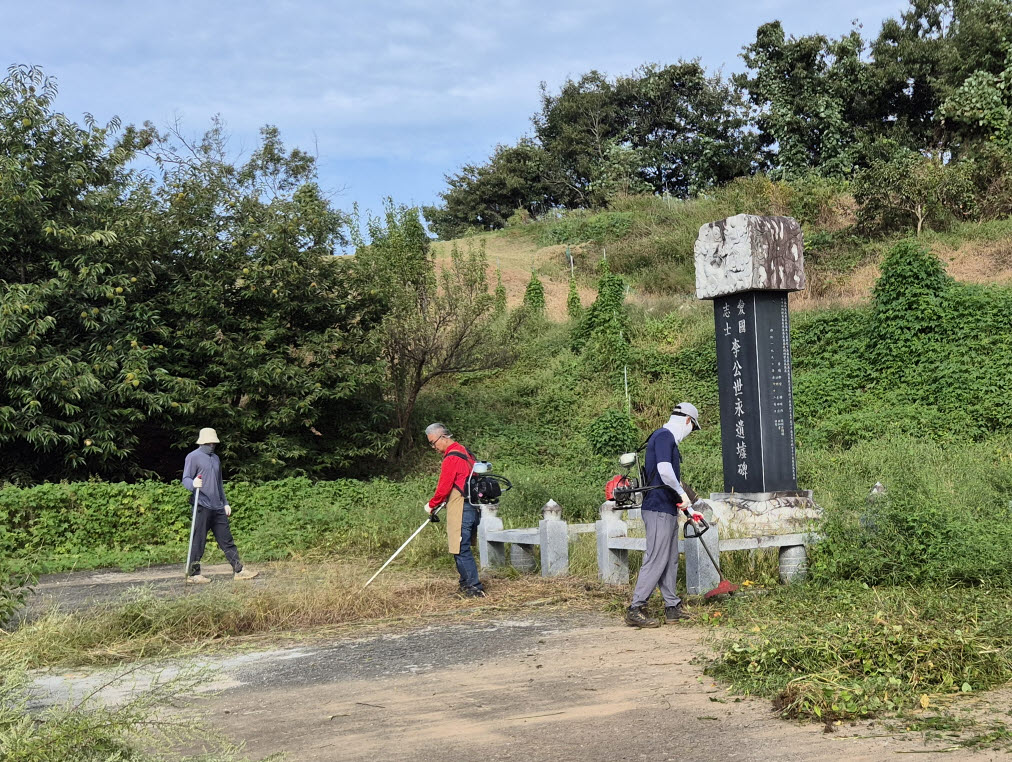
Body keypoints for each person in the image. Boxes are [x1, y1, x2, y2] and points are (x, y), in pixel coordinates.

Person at [625, 403, 703, 628]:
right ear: (688, 421)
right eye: (693, 428)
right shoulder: (664, 436)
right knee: (656, 558)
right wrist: (681, 494)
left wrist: (689, 510)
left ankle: (672, 607)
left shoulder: (666, 440)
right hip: (657, 508)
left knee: (669, 560)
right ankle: (635, 608)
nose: (690, 433)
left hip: (667, 508)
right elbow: (665, 471)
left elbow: (673, 481)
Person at [181, 427, 259, 584]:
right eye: (209, 442)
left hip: (217, 506)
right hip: (201, 505)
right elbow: (186, 478)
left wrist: (225, 502)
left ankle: (239, 570)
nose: (211, 445)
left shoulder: (216, 458)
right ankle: (194, 574)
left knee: (227, 539)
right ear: (202, 442)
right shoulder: (193, 457)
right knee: (199, 540)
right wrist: (193, 483)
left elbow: (219, 483)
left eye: (213, 443)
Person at [424, 422, 485, 597]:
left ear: (443, 437)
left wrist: (432, 504)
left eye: (433, 442)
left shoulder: (452, 458)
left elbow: (444, 487)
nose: (433, 447)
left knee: (460, 547)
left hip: (462, 508)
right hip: (473, 507)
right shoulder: (466, 452)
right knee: (461, 546)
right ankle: (465, 584)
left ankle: (474, 588)